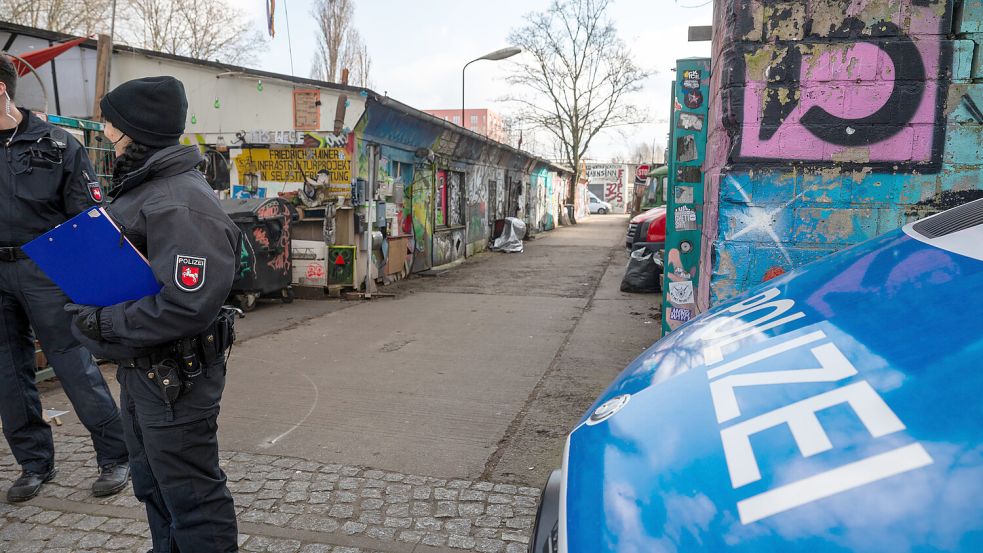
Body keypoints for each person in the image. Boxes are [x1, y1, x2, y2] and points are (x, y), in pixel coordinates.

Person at [65, 75, 240, 552]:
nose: (105, 133)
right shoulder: (148, 188)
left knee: (193, 500)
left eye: (111, 124)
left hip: (177, 380)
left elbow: (187, 303)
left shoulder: (179, 202)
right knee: (155, 488)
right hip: (147, 375)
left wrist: (103, 323)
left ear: (135, 130)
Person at [0, 55, 130, 502]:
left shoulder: (57, 145)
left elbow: (88, 215)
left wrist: (105, 286)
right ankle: (35, 465)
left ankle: (116, 456)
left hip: (46, 267)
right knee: (8, 373)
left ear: (0, 90)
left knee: (72, 362)